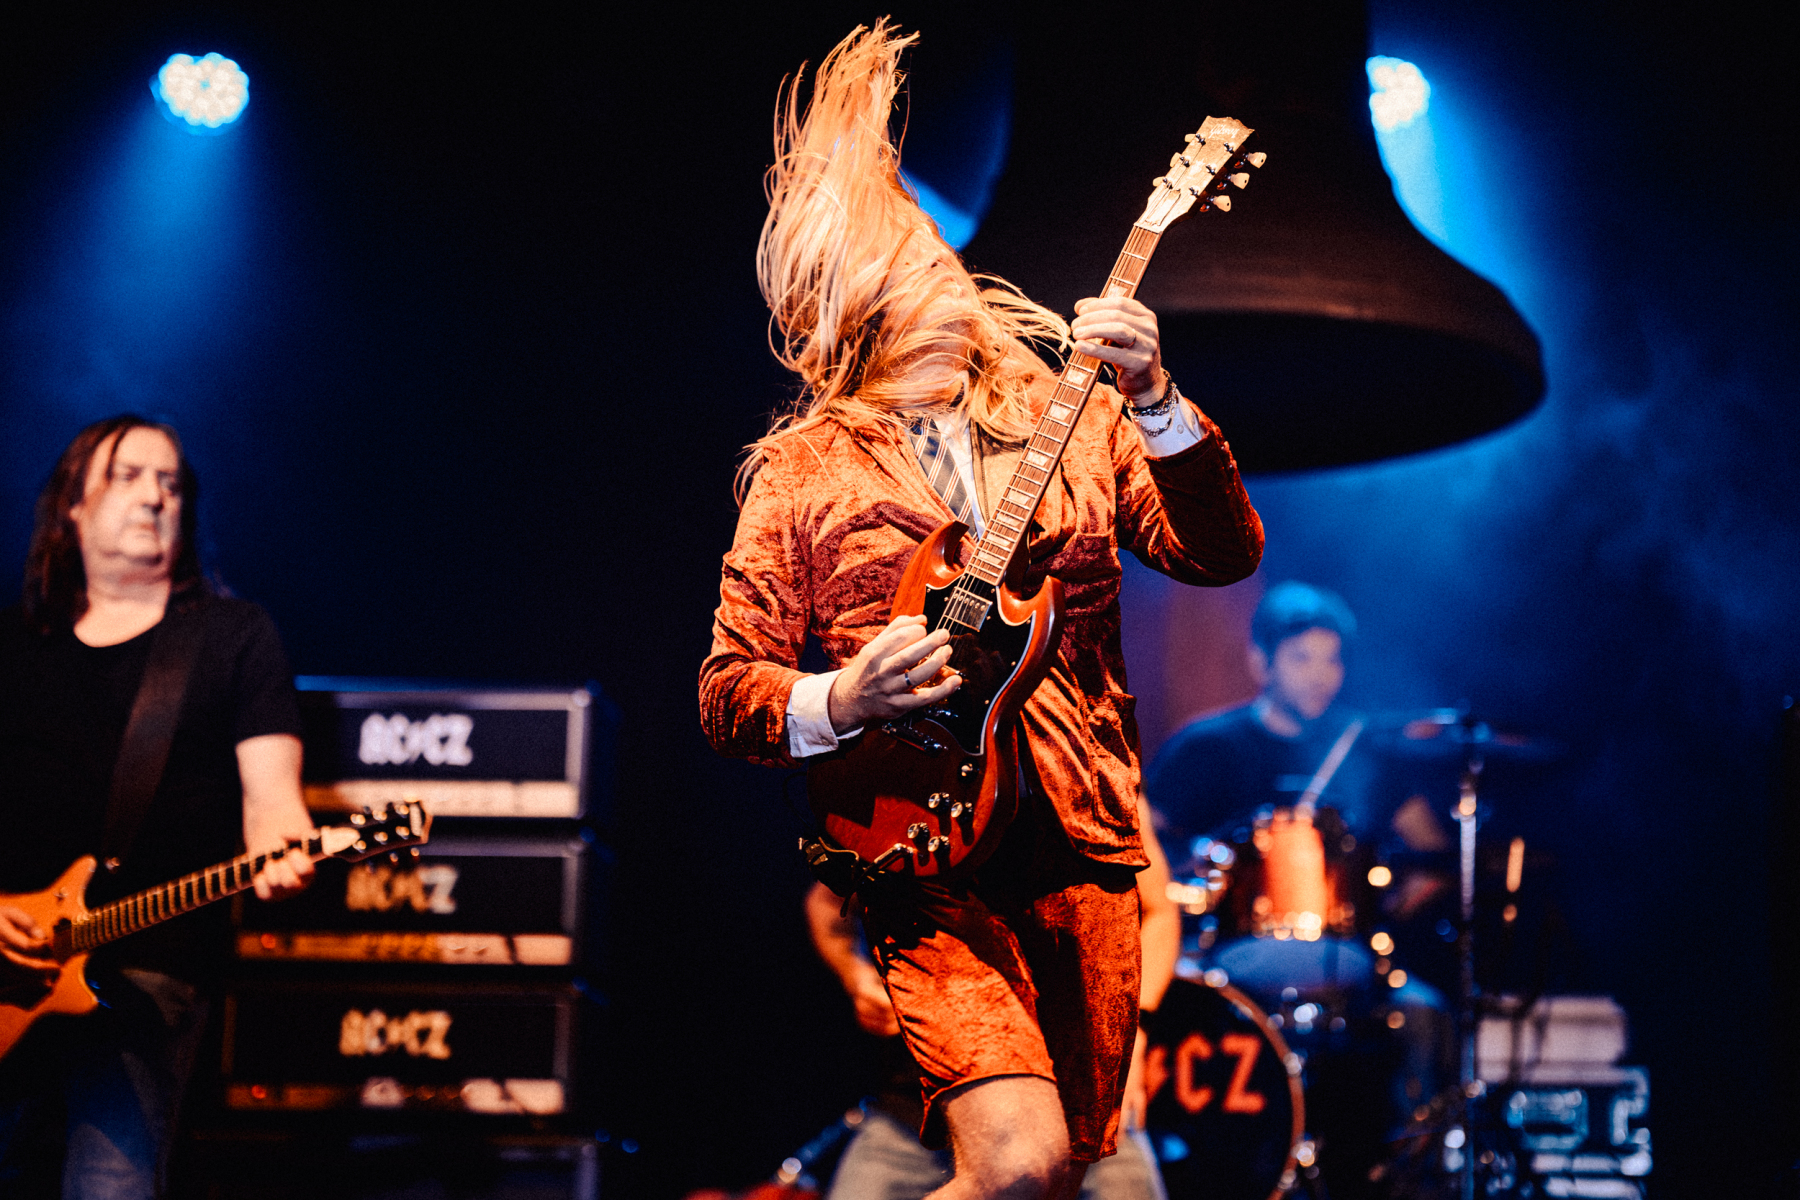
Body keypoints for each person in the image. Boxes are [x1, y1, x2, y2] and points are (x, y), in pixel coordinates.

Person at [698, 22, 1263, 1199]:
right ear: (851, 317)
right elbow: (728, 692)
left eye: (937, 266)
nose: (943, 287)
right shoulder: (803, 474)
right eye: (905, 278)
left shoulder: (1079, 416)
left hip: (1085, 848)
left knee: (1058, 1181)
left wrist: (1157, 399)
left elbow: (1217, 554)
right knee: (1015, 1164)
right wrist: (843, 696)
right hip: (923, 852)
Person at [0, 415, 315, 1198]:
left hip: (146, 969)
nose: (154, 497)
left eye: (171, 484)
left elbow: (274, 806)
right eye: (129, 477)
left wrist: (288, 850)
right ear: (72, 505)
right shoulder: (16, 643)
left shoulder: (233, 636)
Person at [1142, 581, 1453, 1177]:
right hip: (1229, 951)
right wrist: (1188, 874)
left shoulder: (1363, 746)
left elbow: (1432, 850)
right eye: (1302, 658)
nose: (1321, 675)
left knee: (1426, 1013)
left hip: (1351, 956)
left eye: (1333, 660)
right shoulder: (1208, 747)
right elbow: (1140, 838)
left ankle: (1404, 1176)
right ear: (1261, 661)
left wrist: (1398, 896)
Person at [808, 797, 1177, 1200]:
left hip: (1081, 1099)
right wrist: (858, 975)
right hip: (917, 1108)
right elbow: (826, 904)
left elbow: (1157, 909)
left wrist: (1133, 1030)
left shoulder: (1083, 769)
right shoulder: (905, 775)